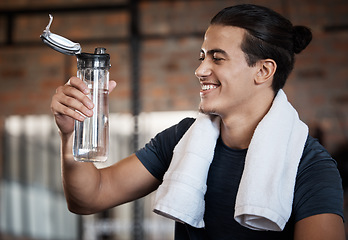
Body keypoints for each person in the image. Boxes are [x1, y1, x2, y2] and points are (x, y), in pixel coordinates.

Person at [50, 4, 345, 240]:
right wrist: (70, 134)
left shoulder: (311, 167)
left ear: (264, 71)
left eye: (217, 58)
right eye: (202, 56)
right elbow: (89, 197)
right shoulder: (183, 139)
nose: (200, 69)